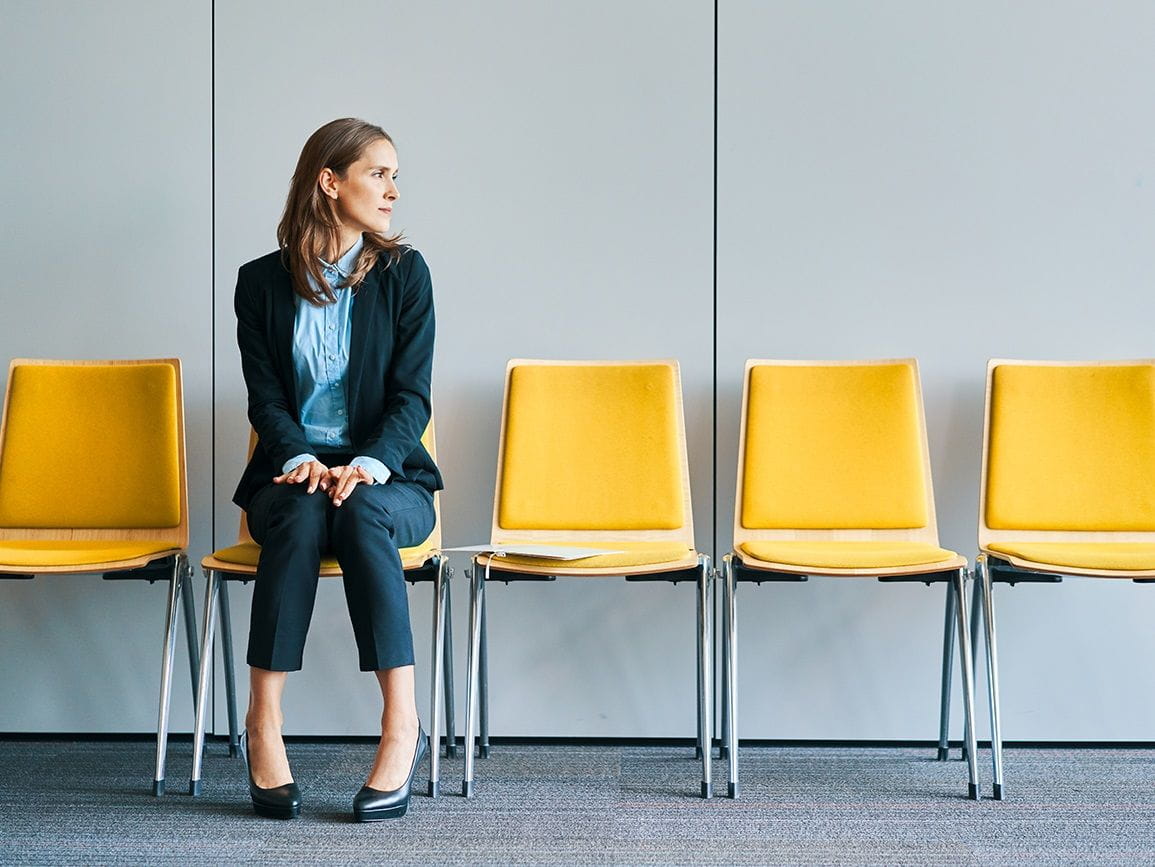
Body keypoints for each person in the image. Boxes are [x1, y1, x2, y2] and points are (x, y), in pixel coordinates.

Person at [232, 117, 442, 822]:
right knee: (297, 512)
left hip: (390, 478)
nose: (393, 188)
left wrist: (370, 463)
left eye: (393, 175)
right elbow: (264, 396)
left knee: (359, 509)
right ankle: (263, 722)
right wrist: (297, 458)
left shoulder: (404, 275)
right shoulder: (259, 283)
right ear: (330, 181)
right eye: (378, 172)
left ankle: (402, 725)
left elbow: (412, 396)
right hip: (291, 475)